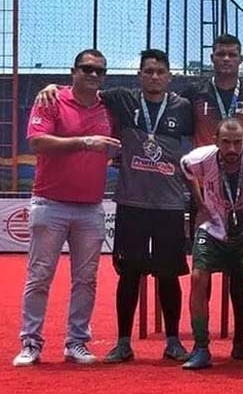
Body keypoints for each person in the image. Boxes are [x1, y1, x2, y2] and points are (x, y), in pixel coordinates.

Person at [14, 49, 120, 366]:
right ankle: (30, 342)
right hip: (50, 203)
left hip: (90, 207)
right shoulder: (51, 100)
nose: (93, 75)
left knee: (86, 279)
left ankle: (77, 342)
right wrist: (86, 142)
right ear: (73, 71)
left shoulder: (109, 107)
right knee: (39, 277)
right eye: (87, 69)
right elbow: (36, 141)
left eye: (100, 71)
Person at [99, 49, 194, 363]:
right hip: (131, 203)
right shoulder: (123, 100)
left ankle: (173, 342)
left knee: (169, 275)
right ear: (139, 75)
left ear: (169, 76)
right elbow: (82, 91)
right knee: (129, 274)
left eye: (160, 72)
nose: (154, 77)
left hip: (169, 205)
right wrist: (52, 90)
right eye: (148, 71)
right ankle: (123, 342)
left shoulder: (183, 108)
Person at [182, 33, 243, 361]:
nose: (226, 59)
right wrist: (200, 203)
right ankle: (199, 345)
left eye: (233, 54)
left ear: (241, 59)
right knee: (201, 271)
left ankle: (240, 342)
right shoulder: (194, 94)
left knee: (241, 274)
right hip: (208, 192)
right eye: (220, 54)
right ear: (212, 57)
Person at [180, 119, 243, 370]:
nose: (232, 149)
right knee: (198, 277)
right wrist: (200, 204)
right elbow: (185, 169)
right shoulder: (200, 159)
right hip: (214, 225)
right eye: (226, 143)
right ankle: (201, 348)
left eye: (237, 143)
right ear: (215, 141)